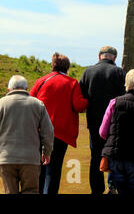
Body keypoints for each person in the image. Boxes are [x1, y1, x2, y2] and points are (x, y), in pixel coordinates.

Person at [30, 53, 88, 194]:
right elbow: (79, 105)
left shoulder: (41, 81)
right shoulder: (72, 83)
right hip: (61, 133)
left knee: (39, 169)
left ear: (53, 65)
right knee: (53, 170)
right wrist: (89, 99)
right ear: (67, 67)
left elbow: (30, 101)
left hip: (39, 131)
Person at [79, 46, 126, 195]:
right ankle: (112, 186)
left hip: (94, 122)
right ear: (114, 58)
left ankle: (96, 190)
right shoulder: (119, 72)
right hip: (114, 122)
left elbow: (82, 97)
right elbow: (123, 97)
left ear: (99, 56)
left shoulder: (88, 72)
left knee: (95, 156)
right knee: (115, 154)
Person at [0, 76, 54, 194]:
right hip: (31, 158)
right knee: (30, 191)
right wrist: (46, 152)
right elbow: (48, 131)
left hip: (6, 158)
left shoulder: (1, 103)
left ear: (9, 89)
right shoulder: (38, 104)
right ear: (26, 88)